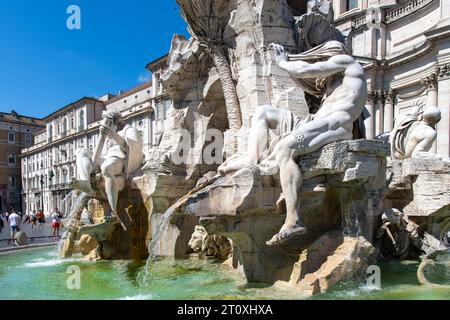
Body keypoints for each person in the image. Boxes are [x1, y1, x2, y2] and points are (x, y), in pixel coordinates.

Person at [72, 111, 144, 224]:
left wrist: (113, 135)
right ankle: (85, 182)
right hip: (107, 157)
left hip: (121, 159)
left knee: (106, 167)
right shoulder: (107, 135)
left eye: (108, 121)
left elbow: (134, 147)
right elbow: (97, 157)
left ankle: (112, 210)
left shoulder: (129, 130)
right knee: (81, 152)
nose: (104, 123)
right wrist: (103, 136)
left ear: (116, 122)